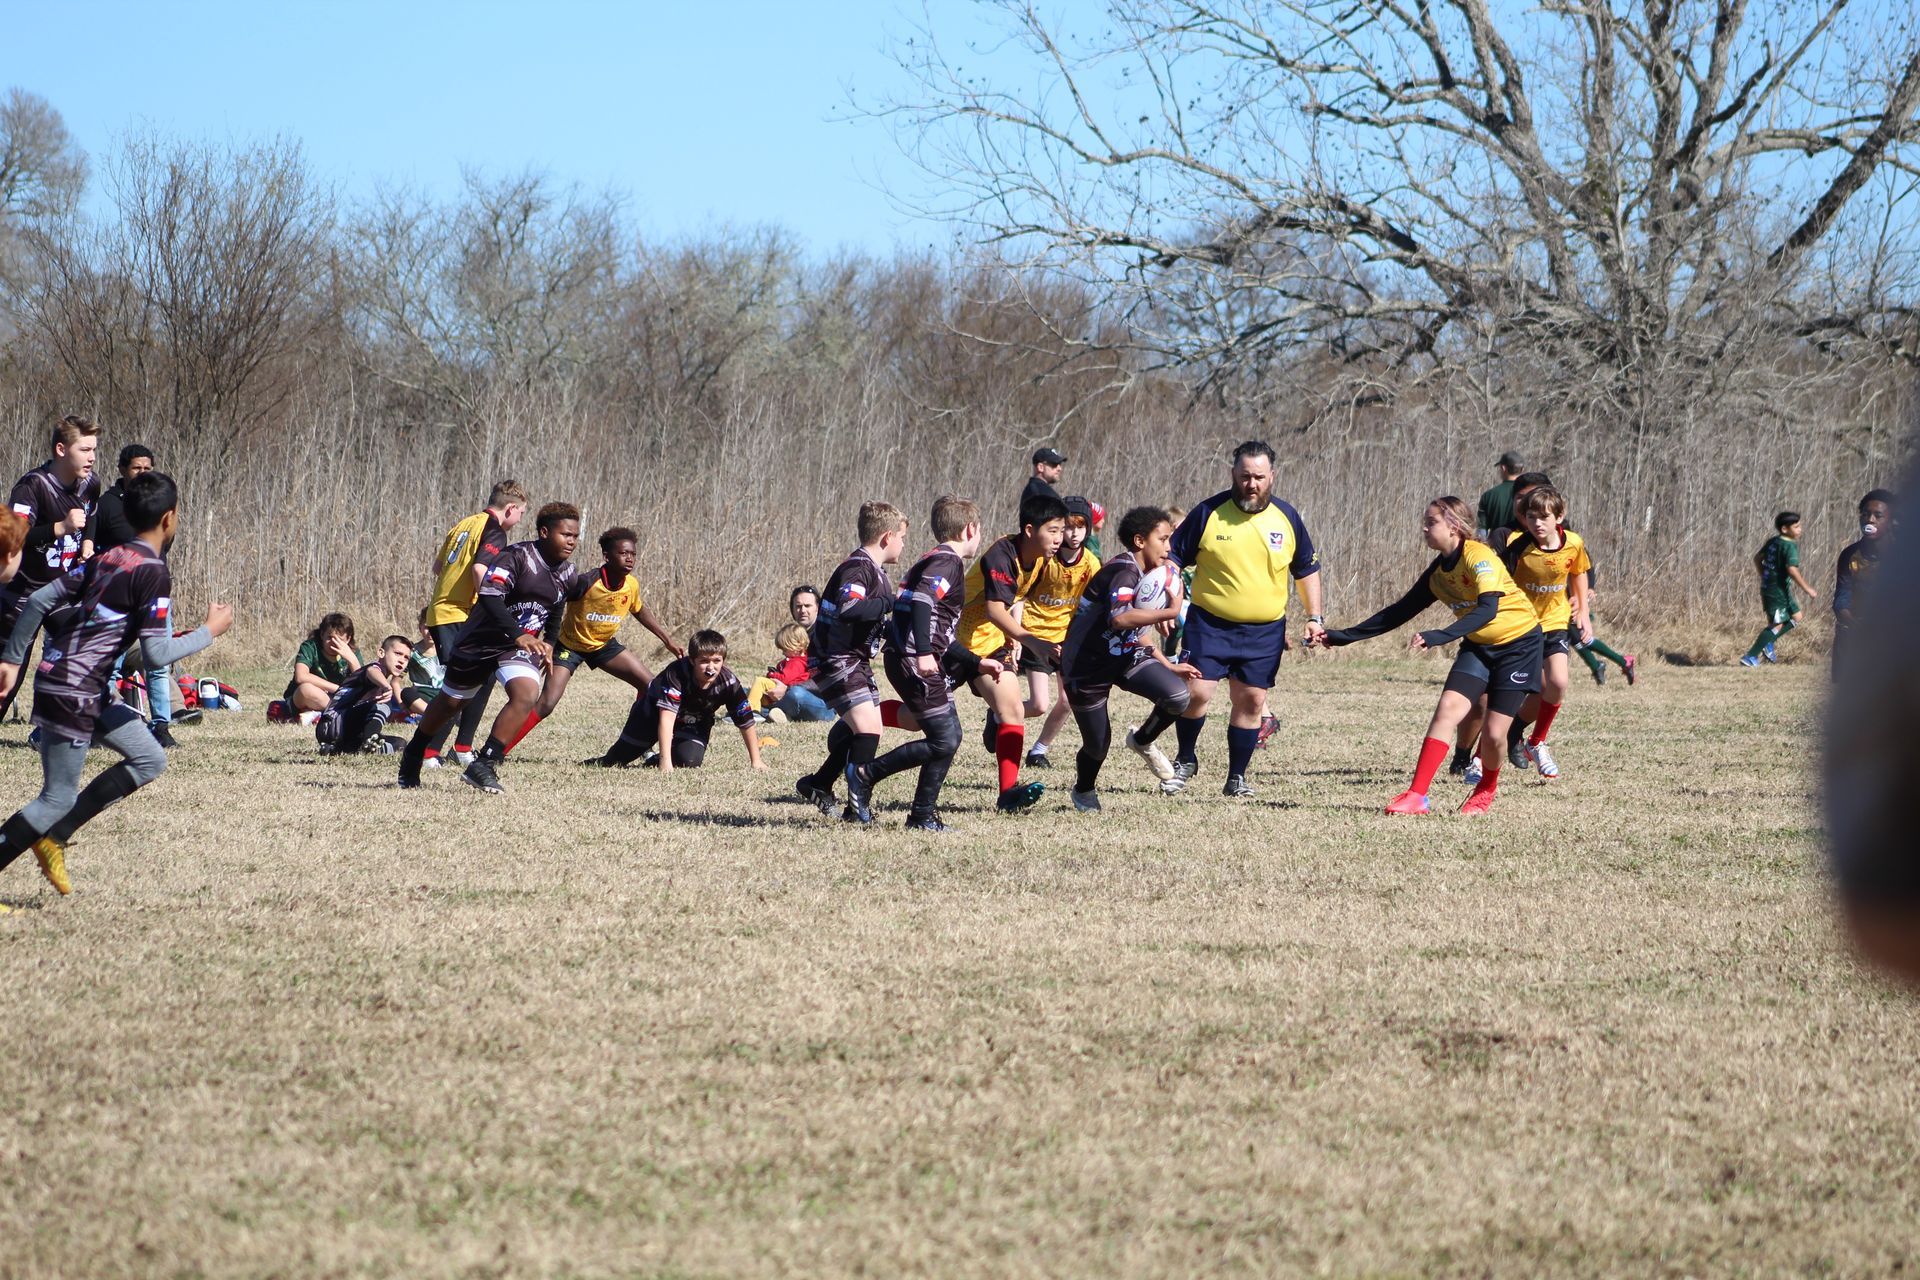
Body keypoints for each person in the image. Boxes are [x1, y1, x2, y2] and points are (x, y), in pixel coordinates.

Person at [0, 472, 232, 898]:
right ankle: (50, 828)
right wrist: (209, 631)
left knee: (148, 759)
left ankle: (55, 837)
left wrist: (13, 659)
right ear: (169, 519)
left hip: (78, 685)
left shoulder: (108, 556)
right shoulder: (153, 573)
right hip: (74, 690)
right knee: (55, 798)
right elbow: (157, 655)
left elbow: (37, 600)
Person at [1311, 496, 1542, 816]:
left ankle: (1487, 786)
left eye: (1431, 521)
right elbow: (1400, 611)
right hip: (1478, 646)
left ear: (1454, 527)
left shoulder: (1479, 556)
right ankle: (1417, 795)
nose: (1424, 527)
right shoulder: (1439, 572)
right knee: (1447, 709)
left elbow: (1488, 610)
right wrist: (1342, 637)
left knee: (1492, 736)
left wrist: (1440, 636)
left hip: (1519, 646)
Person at [1168, 441, 1324, 798]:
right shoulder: (1209, 512)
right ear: (1232, 475)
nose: (1251, 484)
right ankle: (1185, 758)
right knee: (1196, 692)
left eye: (1258, 477)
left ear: (1272, 476)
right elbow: (1174, 557)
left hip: (1264, 630)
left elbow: (1307, 570)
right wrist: (1168, 599)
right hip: (1210, 623)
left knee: (1252, 701)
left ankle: (1236, 777)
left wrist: (1315, 617)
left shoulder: (1287, 518)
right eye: (1244, 477)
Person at [398, 502, 588, 794]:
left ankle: (485, 763)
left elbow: (556, 607)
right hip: (480, 641)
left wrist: (549, 642)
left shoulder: (567, 572)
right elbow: (488, 594)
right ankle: (414, 752)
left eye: (575, 535)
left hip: (512, 648)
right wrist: (518, 634)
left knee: (527, 692)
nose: (572, 541)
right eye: (566, 534)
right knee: (451, 703)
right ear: (545, 532)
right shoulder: (517, 556)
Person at [847, 496, 998, 830]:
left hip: (909, 658)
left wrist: (976, 662)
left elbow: (939, 630)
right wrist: (924, 652)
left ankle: (921, 815)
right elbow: (922, 603)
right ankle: (867, 775)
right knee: (945, 738)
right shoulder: (947, 562)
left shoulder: (934, 559)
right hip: (912, 661)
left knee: (947, 737)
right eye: (979, 530)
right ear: (970, 529)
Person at [1059, 506, 1201, 812]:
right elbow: (1121, 620)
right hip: (1086, 667)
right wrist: (1170, 611)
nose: (1168, 547)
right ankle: (1083, 790)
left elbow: (1138, 631)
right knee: (1098, 745)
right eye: (1163, 539)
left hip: (1124, 657)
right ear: (1140, 540)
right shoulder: (1122, 571)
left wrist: (1167, 664)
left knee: (1177, 696)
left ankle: (1142, 740)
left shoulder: (1152, 576)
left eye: (1170, 540)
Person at [500, 525, 682, 755]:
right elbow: (555, 603)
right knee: (546, 703)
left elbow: (639, 610)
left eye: (633, 554)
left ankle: (638, 743)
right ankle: (500, 749)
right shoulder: (586, 582)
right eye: (623, 553)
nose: (629, 559)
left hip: (604, 645)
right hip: (570, 647)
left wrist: (667, 640)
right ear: (607, 556)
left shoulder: (631, 584)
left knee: (652, 687)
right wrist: (546, 642)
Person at [955, 491, 1067, 813]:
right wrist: (1031, 639)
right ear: (1030, 530)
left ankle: (1007, 796)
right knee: (917, 718)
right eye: (1053, 531)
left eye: (1062, 531)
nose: (1059, 538)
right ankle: (860, 724)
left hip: (990, 643)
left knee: (1014, 710)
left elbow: (1014, 600)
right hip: (952, 640)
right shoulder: (1001, 554)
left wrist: (1013, 638)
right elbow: (993, 609)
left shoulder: (1042, 560)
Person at [794, 502, 909, 814]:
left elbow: (866, 618)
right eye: (901, 537)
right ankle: (857, 807)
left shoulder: (876, 571)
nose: (903, 544)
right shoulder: (858, 568)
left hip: (854, 660)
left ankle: (819, 782)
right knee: (869, 730)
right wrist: (891, 602)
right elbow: (849, 608)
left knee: (864, 729)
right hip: (835, 658)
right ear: (887, 537)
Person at [0, 415, 102, 725]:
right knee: (9, 674)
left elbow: (91, 515)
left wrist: (87, 543)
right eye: (84, 450)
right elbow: (13, 538)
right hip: (22, 594)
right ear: (61, 449)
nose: (92, 457)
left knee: (79, 651)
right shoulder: (32, 486)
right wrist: (61, 528)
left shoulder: (90, 483)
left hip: (61, 592)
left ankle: (46, 728)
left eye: (94, 449)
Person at [420, 481, 528, 766]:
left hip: (445, 612)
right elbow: (481, 568)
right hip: (455, 614)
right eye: (521, 514)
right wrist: (491, 606)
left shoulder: (464, 524)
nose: (520, 521)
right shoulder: (494, 531)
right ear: (511, 508)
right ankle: (428, 752)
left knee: (485, 676)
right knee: (459, 684)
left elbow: (437, 567)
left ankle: (463, 747)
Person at [83, 444, 178, 746]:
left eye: (147, 468)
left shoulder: (160, 502)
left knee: (158, 663)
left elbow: (166, 544)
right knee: (111, 663)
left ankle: (161, 726)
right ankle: (105, 723)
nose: (142, 473)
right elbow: (91, 547)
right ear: (122, 469)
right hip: (117, 598)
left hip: (155, 594)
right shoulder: (107, 504)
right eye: (137, 468)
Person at [1497, 484, 1592, 779]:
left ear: (1559, 517)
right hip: (1522, 625)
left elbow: (1579, 572)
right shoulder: (1517, 546)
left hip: (1554, 622)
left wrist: (1584, 613)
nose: (1536, 523)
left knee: (1559, 683)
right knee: (1531, 688)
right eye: (1531, 517)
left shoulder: (1574, 543)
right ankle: (1487, 753)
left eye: (1543, 517)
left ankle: (1536, 742)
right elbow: (1499, 581)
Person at [589, 630, 764, 771]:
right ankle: (637, 754)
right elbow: (666, 719)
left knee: (689, 761)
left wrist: (756, 761)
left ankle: (653, 759)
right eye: (704, 661)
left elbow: (746, 721)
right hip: (651, 715)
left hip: (694, 722)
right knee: (615, 761)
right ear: (692, 660)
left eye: (717, 661)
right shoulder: (676, 674)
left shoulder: (729, 682)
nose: (711, 667)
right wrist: (666, 764)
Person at [1021, 496, 1100, 770]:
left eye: (1081, 526)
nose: (1074, 533)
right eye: (1068, 526)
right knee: (1039, 704)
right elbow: (1020, 595)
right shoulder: (1044, 559)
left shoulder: (1090, 564)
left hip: (1066, 639)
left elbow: (1095, 606)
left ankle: (1038, 751)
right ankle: (998, 716)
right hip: (1036, 636)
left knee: (1068, 701)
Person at [317, 634, 423, 755]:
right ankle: (370, 738)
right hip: (334, 723)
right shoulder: (375, 669)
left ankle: (340, 749)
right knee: (384, 702)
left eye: (406, 658)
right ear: (381, 653)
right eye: (398, 654)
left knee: (400, 744)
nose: (402, 660)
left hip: (339, 732)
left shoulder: (380, 679)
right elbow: (372, 671)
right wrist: (386, 686)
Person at [1741, 510, 1818, 667]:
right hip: (1776, 592)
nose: (1800, 530)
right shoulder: (1789, 546)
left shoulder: (1773, 541)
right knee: (1776, 624)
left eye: (1800, 526)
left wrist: (1764, 575)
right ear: (1785, 529)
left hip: (1778, 589)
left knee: (1797, 616)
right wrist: (1807, 589)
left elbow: (1757, 558)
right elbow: (1792, 570)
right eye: (1796, 527)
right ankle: (1750, 656)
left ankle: (1769, 641)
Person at [1833, 489, 1895, 677]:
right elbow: (1841, 601)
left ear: (1890, 521)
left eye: (1878, 516)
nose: (1871, 520)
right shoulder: (1849, 556)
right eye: (1866, 514)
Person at [283, 612, 361, 715]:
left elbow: (362, 684)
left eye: (339, 640)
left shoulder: (353, 652)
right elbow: (301, 676)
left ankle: (321, 714)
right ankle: (338, 713)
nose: (333, 643)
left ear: (348, 639)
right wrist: (337, 689)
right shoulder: (310, 647)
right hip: (308, 697)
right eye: (329, 637)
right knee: (305, 689)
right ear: (322, 634)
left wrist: (352, 660)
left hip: (338, 699)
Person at [749, 623, 813, 719]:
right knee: (752, 692)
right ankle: (774, 714)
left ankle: (752, 711)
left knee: (760, 682)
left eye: (785, 649)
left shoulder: (796, 662)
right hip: (788, 691)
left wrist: (772, 674)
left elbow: (785, 679)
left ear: (798, 644)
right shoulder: (802, 660)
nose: (783, 652)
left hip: (785, 689)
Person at [1476, 451, 1524, 539]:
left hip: (1497, 547)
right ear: (1522, 469)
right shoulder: (1530, 494)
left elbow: (1481, 532)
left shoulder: (1488, 496)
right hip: (1525, 548)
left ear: (1503, 468)